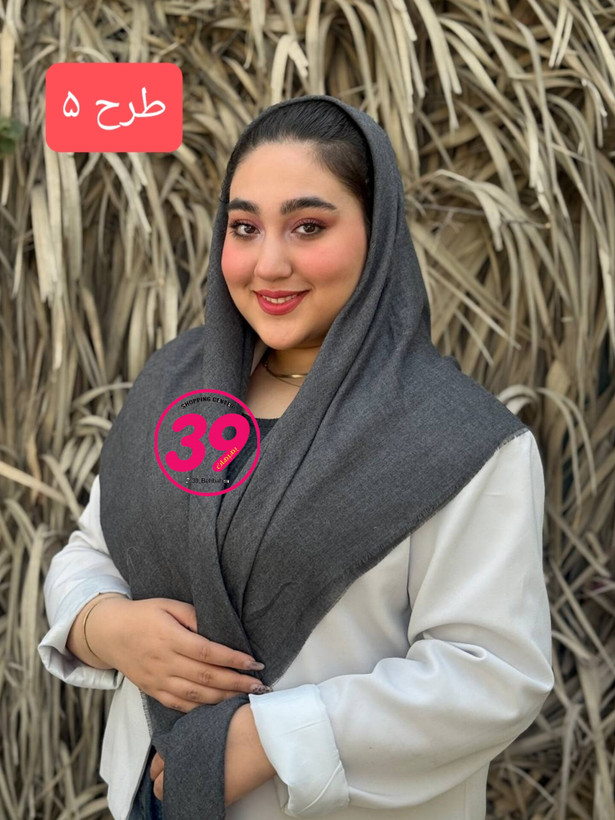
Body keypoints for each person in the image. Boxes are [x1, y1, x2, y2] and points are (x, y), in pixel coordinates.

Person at [39, 95, 554, 820]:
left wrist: (271, 739)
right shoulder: (179, 387)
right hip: (148, 794)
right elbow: (93, 550)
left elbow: (492, 673)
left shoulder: (459, 439)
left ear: (376, 234)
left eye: (308, 226)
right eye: (245, 227)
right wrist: (104, 628)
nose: (269, 264)